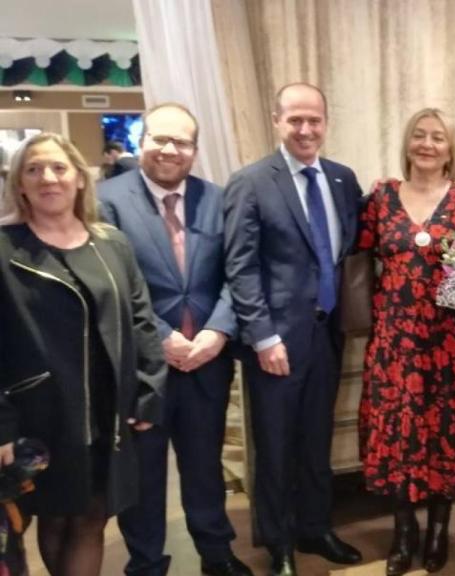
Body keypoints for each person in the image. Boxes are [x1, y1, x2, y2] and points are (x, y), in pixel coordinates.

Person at [0, 133, 165, 576]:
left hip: (108, 413)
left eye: (58, 167)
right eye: (33, 169)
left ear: (78, 179)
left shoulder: (111, 242)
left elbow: (141, 319)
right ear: (19, 184)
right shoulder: (3, 246)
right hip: (41, 414)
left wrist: (148, 390)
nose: (47, 178)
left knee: (94, 516)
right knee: (55, 518)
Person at [98, 103, 252, 576]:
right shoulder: (106, 200)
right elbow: (113, 282)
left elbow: (238, 274)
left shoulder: (218, 197)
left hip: (207, 359)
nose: (170, 149)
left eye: (181, 142)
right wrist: (161, 339)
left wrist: (217, 331)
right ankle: (145, 562)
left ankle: (216, 553)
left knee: (205, 465)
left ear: (194, 150)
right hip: (142, 367)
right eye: (160, 139)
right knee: (144, 474)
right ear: (143, 141)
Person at [224, 83, 363, 576]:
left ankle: (316, 528)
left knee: (316, 440)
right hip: (275, 343)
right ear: (277, 121)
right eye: (296, 120)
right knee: (277, 445)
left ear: (326, 122)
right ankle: (278, 543)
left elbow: (355, 246)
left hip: (327, 336)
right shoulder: (252, 181)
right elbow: (239, 268)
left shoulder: (344, 180)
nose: (306, 129)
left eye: (315, 120)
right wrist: (263, 336)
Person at [357, 108, 455, 576]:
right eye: (419, 135)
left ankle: (439, 529)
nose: (428, 144)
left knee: (443, 434)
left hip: (449, 340)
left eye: (438, 137)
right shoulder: (380, 197)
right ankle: (403, 531)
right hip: (394, 340)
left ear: (451, 149)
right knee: (398, 435)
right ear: (408, 142)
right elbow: (357, 256)